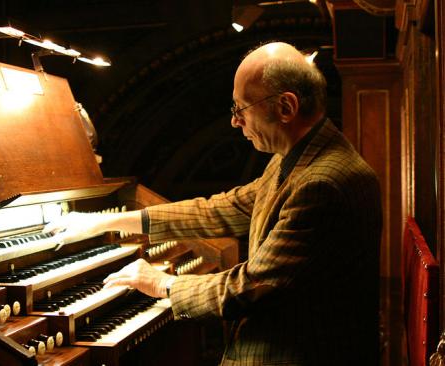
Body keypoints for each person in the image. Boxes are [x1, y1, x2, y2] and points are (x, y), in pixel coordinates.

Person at [44, 41, 382, 365]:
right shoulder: (298, 158)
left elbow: (249, 286)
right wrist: (106, 221)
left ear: (286, 107)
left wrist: (162, 282)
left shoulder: (321, 184)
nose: (235, 122)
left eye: (241, 109)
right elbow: (224, 208)